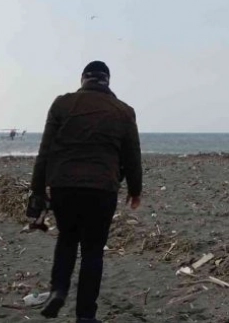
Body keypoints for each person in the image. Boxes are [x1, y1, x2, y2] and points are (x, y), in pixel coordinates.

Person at [27, 61, 143, 323]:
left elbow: (45, 151)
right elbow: (132, 156)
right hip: (102, 188)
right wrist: (135, 190)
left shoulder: (62, 104)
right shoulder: (123, 111)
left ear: (83, 79)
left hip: (64, 186)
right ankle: (86, 316)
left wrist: (37, 190)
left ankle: (58, 290)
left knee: (67, 239)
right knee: (93, 251)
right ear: (107, 81)